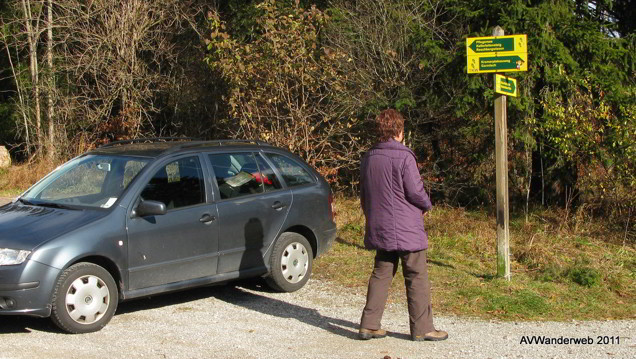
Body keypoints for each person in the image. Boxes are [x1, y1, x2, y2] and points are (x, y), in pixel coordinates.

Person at [358, 109, 448, 342]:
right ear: (399, 130)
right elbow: (415, 191)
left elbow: (364, 193)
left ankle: (369, 325)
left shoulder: (369, 157)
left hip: (381, 225)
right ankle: (423, 329)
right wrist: (427, 205)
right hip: (406, 226)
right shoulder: (405, 156)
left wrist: (370, 216)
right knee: (416, 274)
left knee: (381, 273)